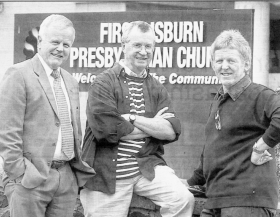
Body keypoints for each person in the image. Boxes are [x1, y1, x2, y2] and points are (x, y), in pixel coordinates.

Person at [80, 21, 195, 217]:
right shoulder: (103, 83)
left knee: (183, 199)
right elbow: (108, 131)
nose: (143, 51)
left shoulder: (157, 87)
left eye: (148, 46)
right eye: (137, 45)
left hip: (147, 167)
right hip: (108, 173)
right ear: (123, 46)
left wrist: (131, 119)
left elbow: (171, 130)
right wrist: (152, 127)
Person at [0, 14, 95, 217]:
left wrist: (72, 177)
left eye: (66, 44)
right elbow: (6, 132)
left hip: (66, 180)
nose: (61, 48)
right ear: (40, 41)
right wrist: (21, 172)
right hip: (30, 181)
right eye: (55, 42)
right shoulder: (18, 74)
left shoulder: (70, 82)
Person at [185, 29, 280, 217]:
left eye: (231, 60)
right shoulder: (220, 99)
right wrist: (189, 183)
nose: (224, 66)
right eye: (219, 61)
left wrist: (260, 147)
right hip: (215, 200)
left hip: (247, 202)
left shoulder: (260, 95)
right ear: (213, 64)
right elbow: (212, 149)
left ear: (246, 65)